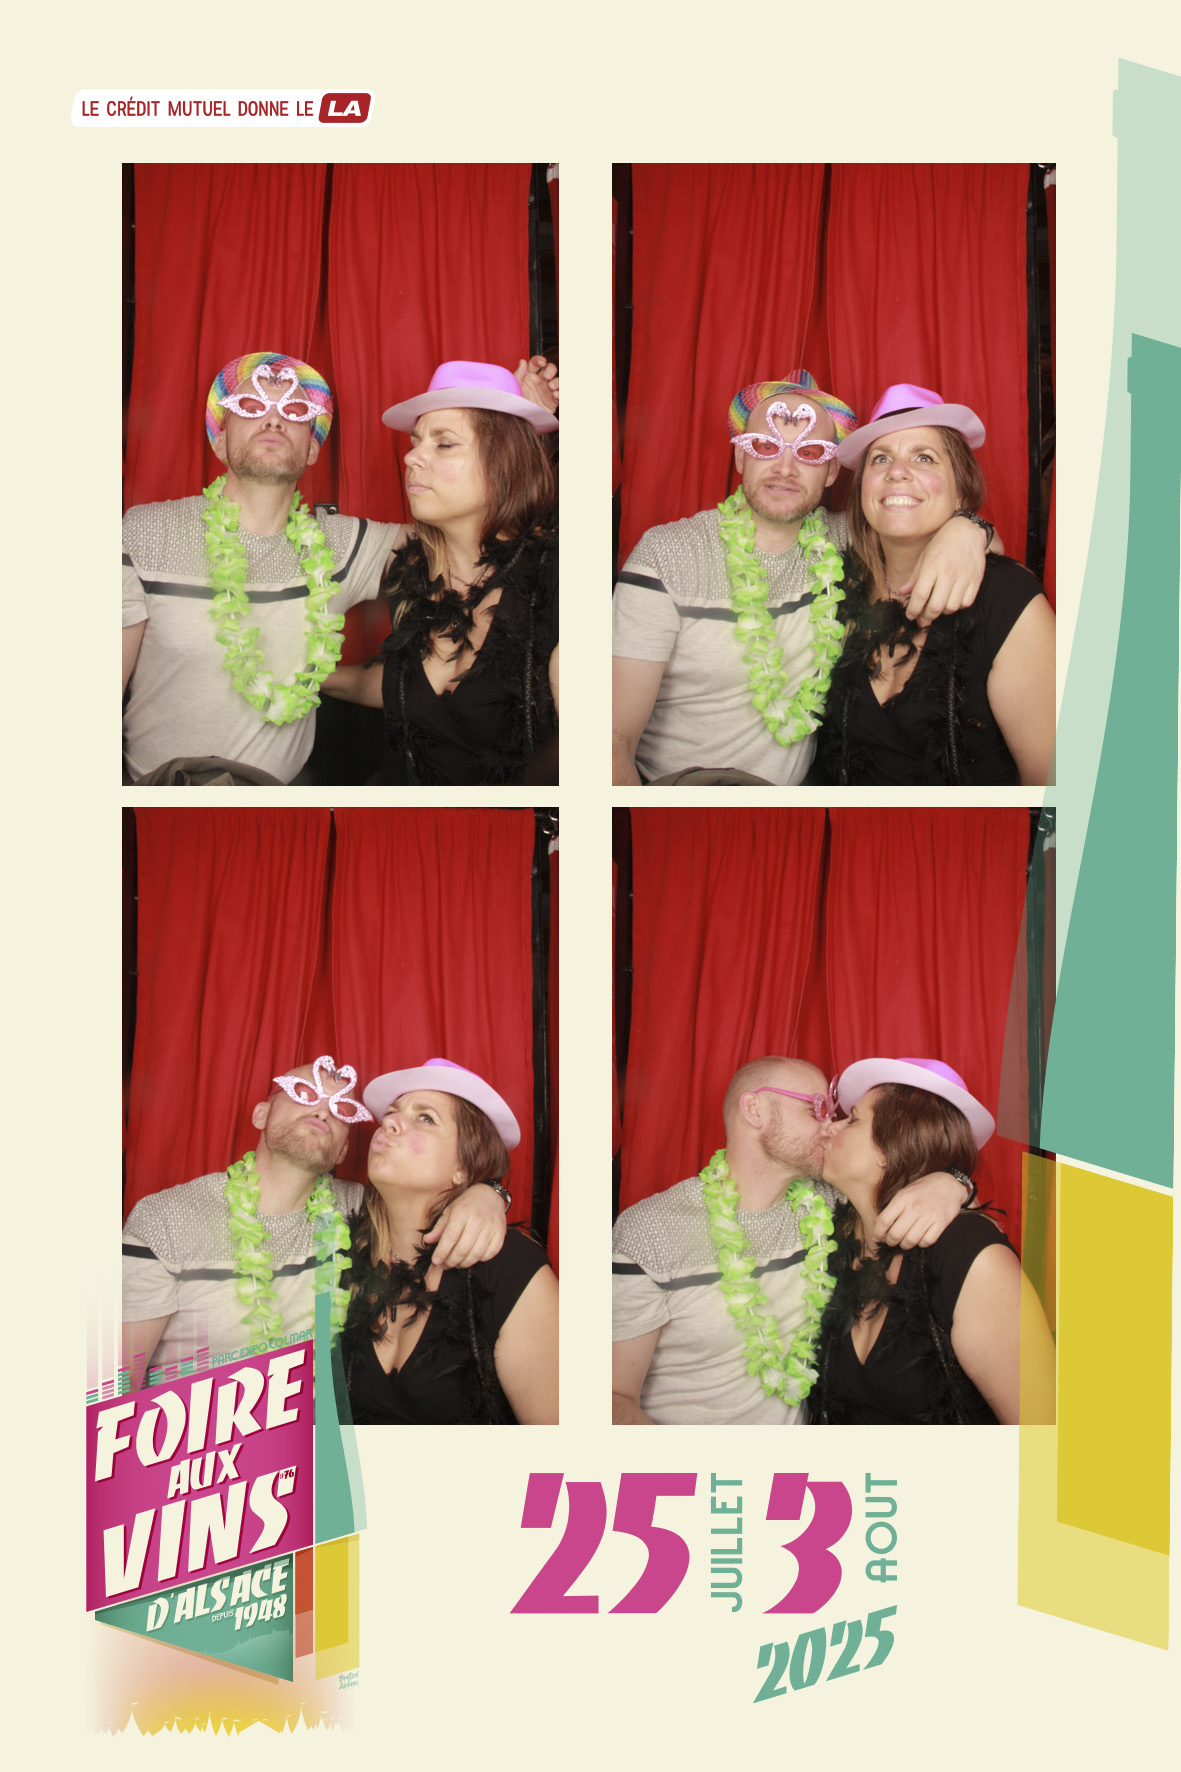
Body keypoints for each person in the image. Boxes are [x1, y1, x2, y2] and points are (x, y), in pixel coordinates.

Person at [122, 351, 557, 784]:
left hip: (281, 806)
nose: (273, 419)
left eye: (295, 410)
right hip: (158, 797)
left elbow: (481, 528)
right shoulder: (144, 533)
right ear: (218, 440)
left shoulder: (345, 545)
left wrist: (519, 428)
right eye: (251, 406)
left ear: (313, 448)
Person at [611, 371, 996, 785]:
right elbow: (612, 738)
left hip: (801, 809)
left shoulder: (850, 539)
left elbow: (945, 538)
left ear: (831, 471)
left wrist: (968, 528)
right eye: (765, 447)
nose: (785, 468)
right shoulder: (668, 555)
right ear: (740, 458)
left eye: (809, 452)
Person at [611, 1056, 971, 1425]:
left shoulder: (830, 1206)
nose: (829, 1126)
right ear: (756, 1110)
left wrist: (953, 1183)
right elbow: (613, 1397)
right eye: (815, 1109)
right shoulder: (651, 1231)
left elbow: (908, 1187)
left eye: (834, 1113)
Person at [121, 1056, 510, 1390]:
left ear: (344, 1149)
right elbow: (112, 1396)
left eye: (341, 1109)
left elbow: (430, 1190)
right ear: (261, 1114)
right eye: (303, 1093)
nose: (323, 1110)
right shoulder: (166, 1220)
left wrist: (489, 1192)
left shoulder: (358, 1210)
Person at [320, 361, 559, 785]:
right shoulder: (411, 572)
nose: (411, 456)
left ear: (503, 463)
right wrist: (305, 677)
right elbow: (403, 689)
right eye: (416, 442)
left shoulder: (555, 583)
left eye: (444, 443)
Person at [811, 384, 1055, 785]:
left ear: (961, 490)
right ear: (862, 490)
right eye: (881, 458)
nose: (897, 471)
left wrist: (971, 525)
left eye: (923, 457)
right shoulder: (833, 584)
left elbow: (1055, 796)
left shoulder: (1009, 602)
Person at [807, 1057, 1056, 1425]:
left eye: (853, 1119)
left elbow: (1044, 1431)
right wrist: (958, 1181)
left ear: (893, 1145)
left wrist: (956, 1181)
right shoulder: (829, 1233)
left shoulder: (971, 1258)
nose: (829, 1127)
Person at [341, 1058, 558, 1424]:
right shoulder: (345, 1254)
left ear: (463, 1167)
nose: (389, 1123)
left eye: (425, 1118)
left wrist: (491, 1190)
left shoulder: (509, 1268)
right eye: (391, 1113)